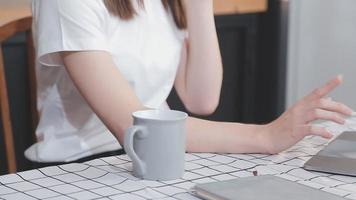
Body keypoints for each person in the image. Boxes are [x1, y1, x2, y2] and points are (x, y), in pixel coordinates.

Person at [26, 0, 353, 166]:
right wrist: (266, 135)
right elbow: (136, 129)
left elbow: (203, 98)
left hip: (158, 154)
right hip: (85, 163)